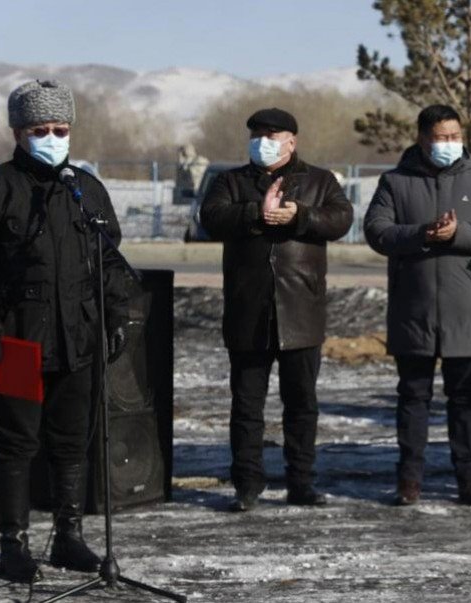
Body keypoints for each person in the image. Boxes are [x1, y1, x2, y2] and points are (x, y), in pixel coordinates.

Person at [0, 80, 128, 583]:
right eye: (40, 130)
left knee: (72, 443)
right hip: (15, 337)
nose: (52, 138)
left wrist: (116, 315)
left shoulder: (85, 189)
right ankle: (14, 545)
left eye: (60, 129)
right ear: (17, 132)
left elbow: (109, 259)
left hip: (78, 339)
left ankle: (68, 536)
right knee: (17, 443)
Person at [200, 107, 352, 512]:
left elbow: (341, 218)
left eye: (271, 135)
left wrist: (299, 215)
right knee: (247, 405)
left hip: (301, 309)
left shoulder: (319, 180)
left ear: (291, 141)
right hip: (248, 311)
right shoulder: (230, 181)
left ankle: (301, 482)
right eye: (256, 135)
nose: (262, 142)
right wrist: (256, 212)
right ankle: (247, 485)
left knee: (301, 404)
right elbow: (211, 217)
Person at [364, 104, 471, 507]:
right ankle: (409, 479)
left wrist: (458, 233)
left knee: (465, 398)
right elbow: (377, 230)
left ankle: (470, 480)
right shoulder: (395, 181)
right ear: (422, 138)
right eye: (441, 137)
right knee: (413, 397)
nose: (449, 144)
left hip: (465, 308)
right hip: (413, 309)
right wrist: (423, 233)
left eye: (454, 136)